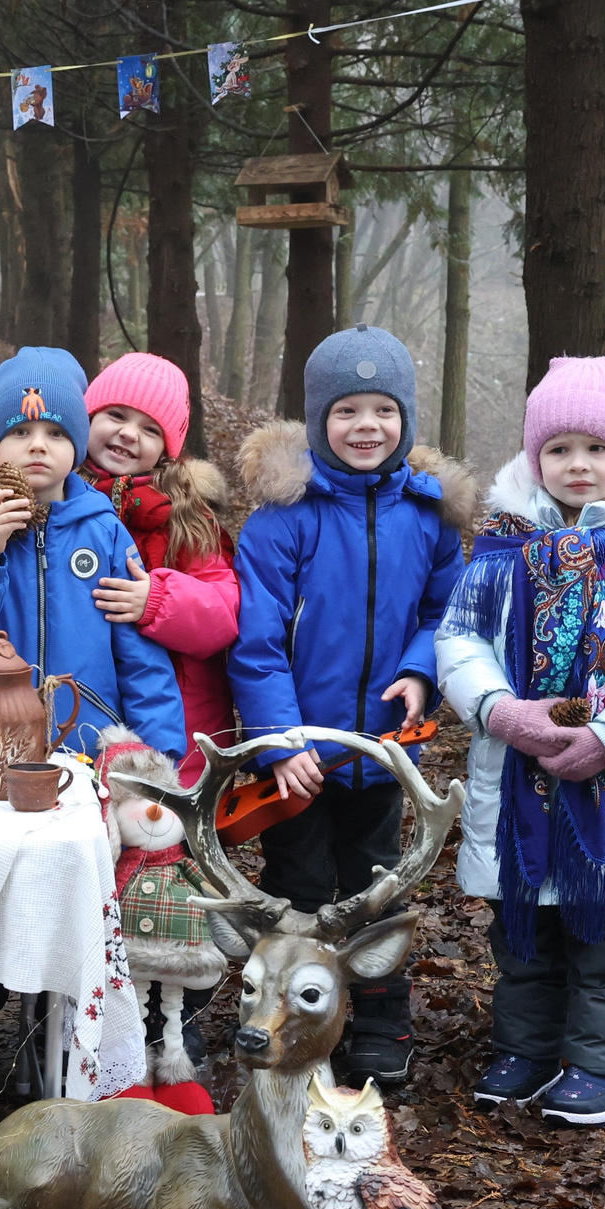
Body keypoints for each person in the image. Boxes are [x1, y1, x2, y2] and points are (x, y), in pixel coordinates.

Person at [436, 355, 605, 1127]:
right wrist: (501, 711)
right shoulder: (501, 550)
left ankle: (601, 1063)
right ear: (536, 458)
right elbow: (460, 644)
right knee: (524, 938)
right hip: (518, 777)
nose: (578, 464)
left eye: (596, 448)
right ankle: (525, 1049)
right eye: (559, 449)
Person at [0, 346, 191, 1083]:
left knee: (71, 892)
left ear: (78, 449)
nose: (39, 446)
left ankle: (63, 1028)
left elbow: (141, 658)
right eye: (21, 433)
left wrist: (158, 765)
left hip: (82, 754)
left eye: (58, 434)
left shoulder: (104, 533)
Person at [229, 326, 474, 1090]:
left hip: (382, 749)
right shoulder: (284, 518)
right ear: (317, 420)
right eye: (347, 411)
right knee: (300, 887)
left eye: (383, 410)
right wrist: (280, 740)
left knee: (375, 887)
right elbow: (257, 641)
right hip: (300, 758)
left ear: (406, 419)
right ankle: (298, 1020)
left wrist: (419, 672)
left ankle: (379, 1017)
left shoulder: (429, 517)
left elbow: (447, 611)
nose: (366, 426)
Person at [80, 351, 240, 1069]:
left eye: (148, 427)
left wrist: (157, 599)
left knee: (178, 885)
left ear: (169, 447)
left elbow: (223, 614)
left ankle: (176, 1018)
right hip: (88, 733)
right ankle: (81, 1016)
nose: (126, 434)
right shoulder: (54, 492)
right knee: (91, 883)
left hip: (174, 740)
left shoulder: (186, 520)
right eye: (114, 415)